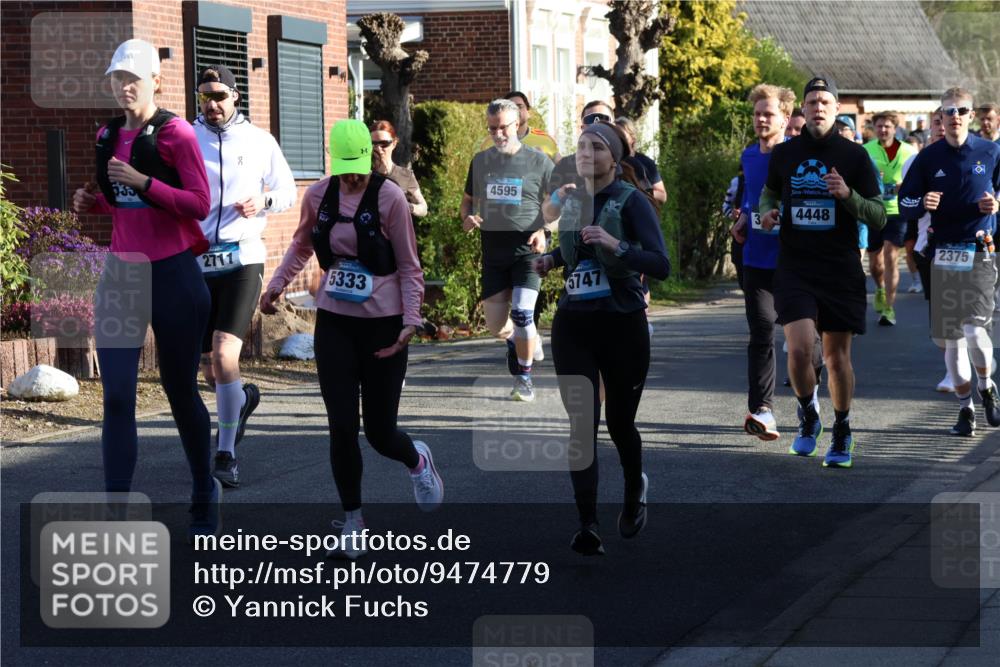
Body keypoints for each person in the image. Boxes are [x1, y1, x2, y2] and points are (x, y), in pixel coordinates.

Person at [260, 120, 443, 558]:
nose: (352, 177)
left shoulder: (390, 197)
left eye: (358, 167)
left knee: (380, 433)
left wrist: (411, 321)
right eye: (344, 168)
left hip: (384, 323)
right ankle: (354, 520)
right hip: (336, 323)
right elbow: (302, 245)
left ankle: (418, 461)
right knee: (342, 427)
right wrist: (277, 284)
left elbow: (409, 266)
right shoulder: (318, 195)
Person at [72, 39, 218, 539]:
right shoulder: (107, 134)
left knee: (180, 392)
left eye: (135, 78)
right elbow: (120, 206)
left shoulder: (177, 133)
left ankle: (204, 490)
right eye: (118, 78)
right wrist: (92, 201)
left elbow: (199, 203)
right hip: (122, 274)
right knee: (115, 398)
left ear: (157, 80)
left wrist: (141, 180)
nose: (126, 86)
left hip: (174, 273)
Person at [535, 121, 670, 555]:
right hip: (574, 323)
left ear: (615, 157)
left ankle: (634, 488)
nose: (586, 154)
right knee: (581, 425)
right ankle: (587, 524)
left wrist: (618, 246)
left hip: (622, 322)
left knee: (619, 424)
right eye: (581, 147)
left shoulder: (633, 201)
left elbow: (661, 263)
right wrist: (551, 260)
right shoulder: (575, 200)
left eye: (596, 147)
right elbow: (576, 250)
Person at [759, 76, 886, 468]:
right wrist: (767, 211)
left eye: (825, 102)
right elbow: (771, 191)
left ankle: (843, 427)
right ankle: (808, 415)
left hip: (840, 267)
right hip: (796, 265)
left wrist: (848, 196)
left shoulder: (855, 156)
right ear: (803, 108)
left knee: (835, 359)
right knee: (798, 349)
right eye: (812, 101)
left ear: (835, 110)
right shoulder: (785, 153)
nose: (818, 108)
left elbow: (879, 215)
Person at [192, 65, 297, 488]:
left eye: (219, 95)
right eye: (204, 96)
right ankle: (244, 399)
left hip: (242, 259)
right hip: (196, 262)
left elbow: (287, 191)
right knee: (209, 370)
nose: (212, 104)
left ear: (235, 96)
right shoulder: (184, 137)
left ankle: (226, 453)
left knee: (223, 355)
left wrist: (264, 199)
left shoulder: (258, 141)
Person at [899, 88, 1000, 436]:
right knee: (952, 340)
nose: (955, 116)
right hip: (943, 252)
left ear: (970, 115)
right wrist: (922, 203)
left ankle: (986, 385)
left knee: (974, 331)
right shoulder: (927, 158)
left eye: (961, 110)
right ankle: (965, 410)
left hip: (979, 250)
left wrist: (997, 205)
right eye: (948, 111)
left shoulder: (991, 151)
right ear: (940, 118)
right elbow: (904, 203)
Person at [730, 84, 825, 443]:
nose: (760, 119)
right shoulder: (749, 155)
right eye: (756, 114)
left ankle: (809, 400)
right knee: (760, 333)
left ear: (786, 118)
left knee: (805, 342)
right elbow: (751, 198)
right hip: (756, 258)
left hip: (795, 259)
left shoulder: (798, 155)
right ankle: (763, 410)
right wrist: (743, 220)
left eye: (767, 114)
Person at [461, 98, 553, 402]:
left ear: (517, 125)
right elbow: (467, 201)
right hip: (494, 253)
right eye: (492, 128)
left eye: (503, 127)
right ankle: (526, 340)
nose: (498, 134)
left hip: (528, 251)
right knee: (497, 327)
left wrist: (545, 231)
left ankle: (524, 378)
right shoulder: (481, 161)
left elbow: (560, 204)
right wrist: (467, 218)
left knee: (524, 314)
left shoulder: (539, 161)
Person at [863, 112, 918, 326]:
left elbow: (918, 180)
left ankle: (889, 308)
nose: (883, 130)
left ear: (895, 129)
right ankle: (879, 289)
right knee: (875, 263)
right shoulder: (866, 150)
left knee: (890, 253)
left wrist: (904, 187)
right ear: (874, 128)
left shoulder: (909, 152)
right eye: (879, 126)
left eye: (887, 126)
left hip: (897, 211)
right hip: (873, 209)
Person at [478, 91, 560, 161]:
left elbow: (561, 172)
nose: (516, 110)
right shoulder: (489, 143)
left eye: (519, 106)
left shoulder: (545, 140)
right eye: (511, 107)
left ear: (529, 112)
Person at [370, 119, 428, 218]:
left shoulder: (405, 175)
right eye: (374, 143)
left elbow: (423, 208)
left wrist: (408, 207)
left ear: (394, 143)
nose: (378, 148)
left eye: (384, 143)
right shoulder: (364, 175)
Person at [613, 116, 667, 205]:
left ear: (632, 138)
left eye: (622, 135)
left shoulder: (646, 162)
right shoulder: (612, 160)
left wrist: (643, 191)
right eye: (616, 136)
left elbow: (662, 196)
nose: (619, 139)